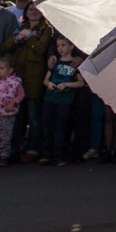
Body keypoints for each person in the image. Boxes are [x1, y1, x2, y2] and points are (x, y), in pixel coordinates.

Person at [4, 2, 53, 163]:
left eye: (37, 9)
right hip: (18, 76)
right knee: (18, 115)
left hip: (35, 76)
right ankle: (14, 148)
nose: (33, 11)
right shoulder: (21, 26)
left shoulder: (46, 29)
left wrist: (29, 37)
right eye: (30, 9)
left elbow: (40, 48)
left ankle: (33, 148)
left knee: (34, 116)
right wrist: (19, 38)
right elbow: (6, 46)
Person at [41, 35, 84, 166]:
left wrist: (66, 84)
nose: (60, 48)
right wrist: (49, 84)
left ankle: (58, 156)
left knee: (60, 128)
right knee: (48, 127)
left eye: (63, 45)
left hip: (65, 100)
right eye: (58, 46)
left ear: (71, 46)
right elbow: (45, 79)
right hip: (50, 98)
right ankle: (46, 154)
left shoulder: (74, 64)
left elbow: (80, 83)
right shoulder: (55, 62)